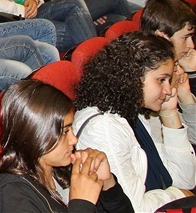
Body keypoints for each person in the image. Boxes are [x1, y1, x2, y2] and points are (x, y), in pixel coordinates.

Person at [73, 32, 196, 212]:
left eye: (169, 80)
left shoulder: (132, 108)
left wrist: (169, 112)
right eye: (161, 80)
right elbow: (133, 208)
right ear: (133, 76)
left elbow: (185, 179)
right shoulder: (104, 128)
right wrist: (177, 195)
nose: (169, 89)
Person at [0, 80, 132, 213]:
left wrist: (107, 183)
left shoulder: (63, 168)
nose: (74, 139)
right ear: (37, 134)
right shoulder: (12, 192)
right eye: (65, 132)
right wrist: (82, 204)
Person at [140, 0, 196, 141]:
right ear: (162, 36)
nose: (191, 45)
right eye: (185, 38)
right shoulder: (152, 81)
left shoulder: (178, 68)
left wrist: (186, 92)